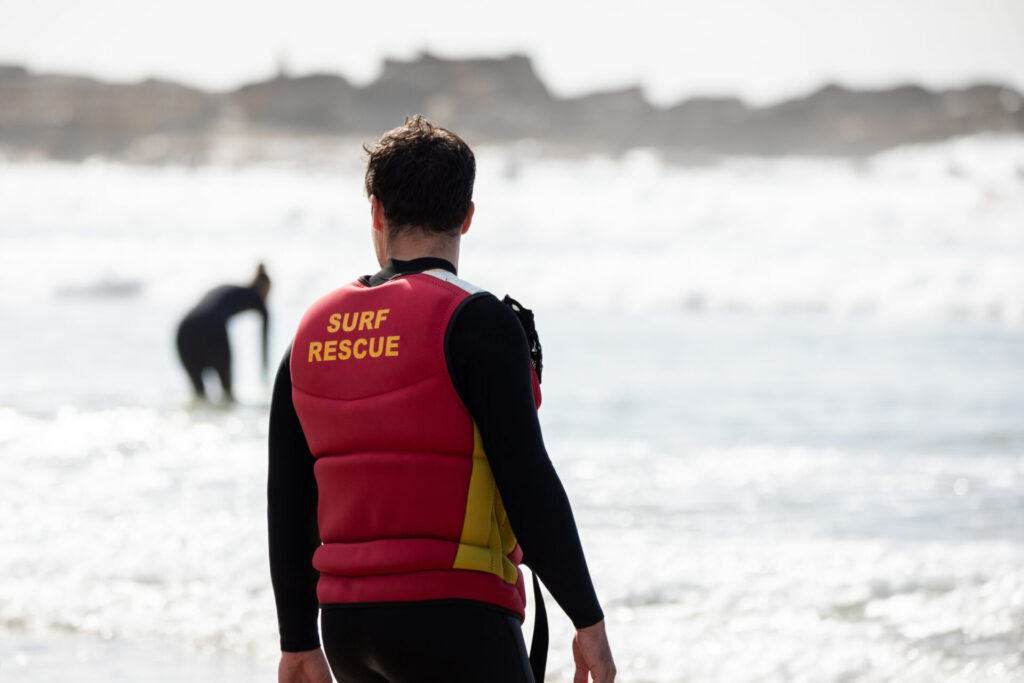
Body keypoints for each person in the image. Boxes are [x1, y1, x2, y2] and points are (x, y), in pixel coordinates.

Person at [268, 116, 616, 683]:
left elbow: (287, 496)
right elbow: (527, 480)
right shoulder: (477, 321)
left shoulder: (309, 333)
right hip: (459, 618)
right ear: (467, 217)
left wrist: (297, 640)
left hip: (349, 629)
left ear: (376, 212)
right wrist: (587, 620)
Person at [175, 263, 270, 402]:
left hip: (184, 331)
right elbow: (264, 341)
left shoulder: (228, 288)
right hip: (213, 330)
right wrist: (264, 375)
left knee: (199, 395)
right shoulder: (256, 297)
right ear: (265, 286)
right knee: (227, 395)